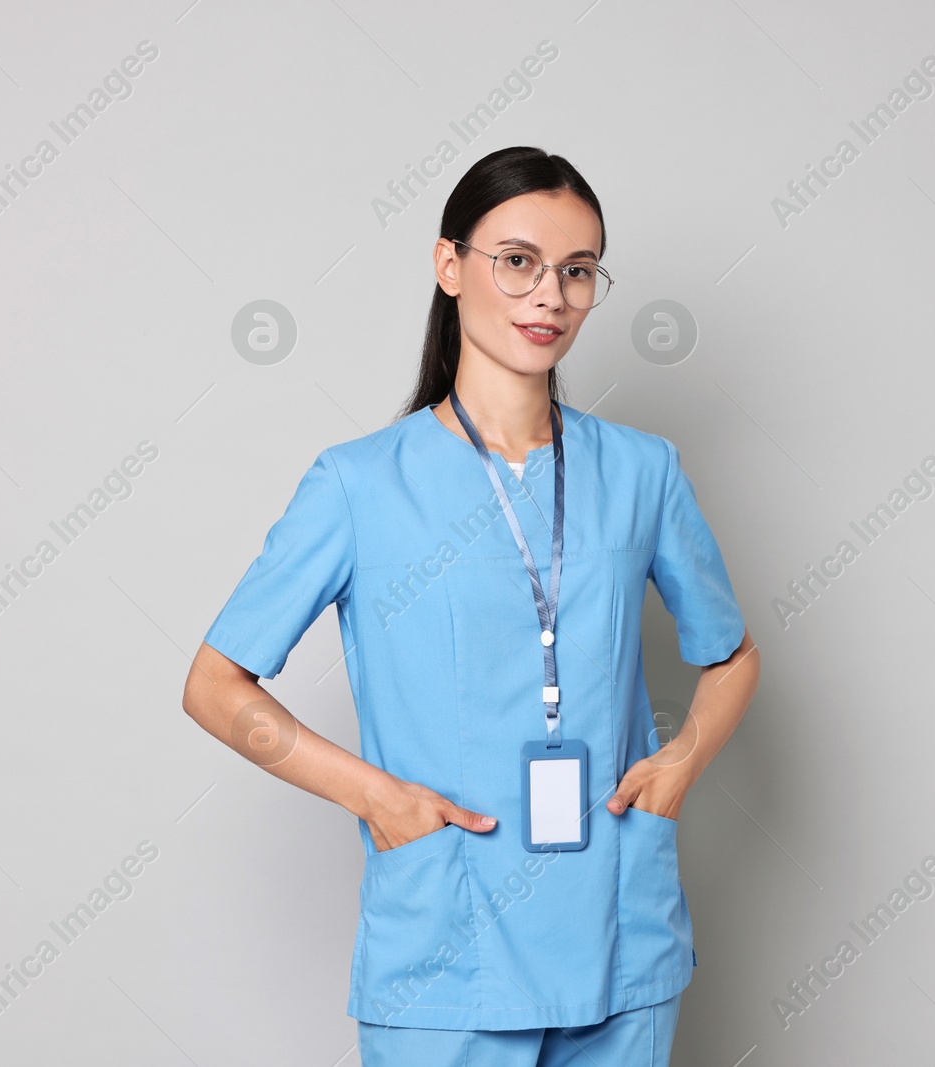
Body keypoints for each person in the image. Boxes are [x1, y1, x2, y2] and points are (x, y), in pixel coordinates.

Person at [182, 145, 761, 1066]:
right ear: (450, 265)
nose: (551, 296)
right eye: (519, 261)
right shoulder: (360, 485)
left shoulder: (643, 471)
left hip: (620, 927)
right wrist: (373, 796)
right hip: (446, 941)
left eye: (578, 272)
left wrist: (680, 762)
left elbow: (730, 655)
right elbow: (215, 684)